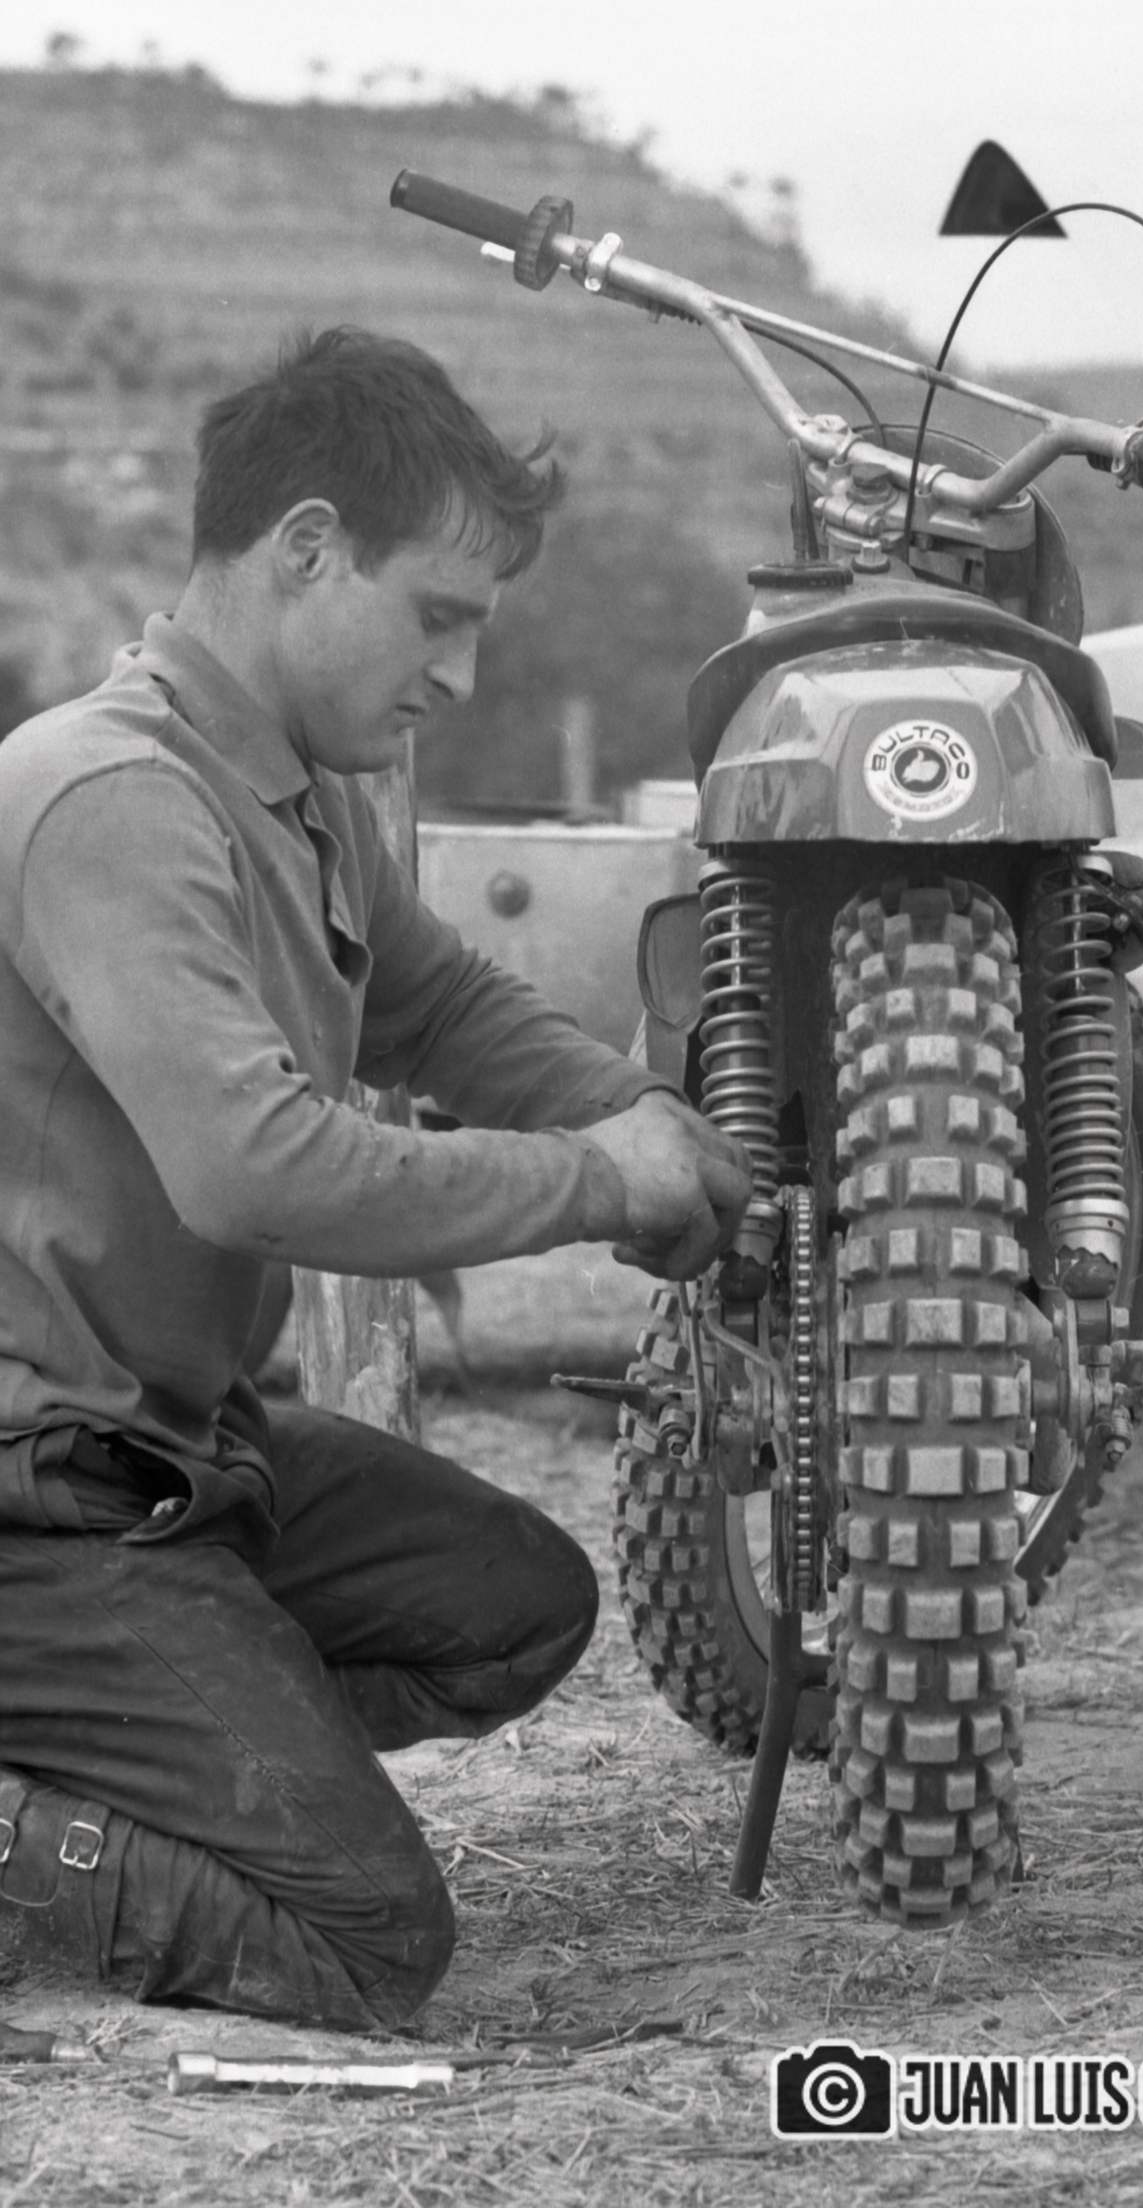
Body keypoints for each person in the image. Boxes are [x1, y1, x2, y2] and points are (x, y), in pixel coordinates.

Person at [0, 327, 751, 2031]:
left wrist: (666, 1133)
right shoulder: (110, 797)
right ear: (308, 548)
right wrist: (594, 1181)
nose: (461, 677)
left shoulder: (297, 796)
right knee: (364, 1944)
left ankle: (161, 1749)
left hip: (183, 1454)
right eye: (439, 618)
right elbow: (250, 1172)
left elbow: (442, 1010)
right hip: (42, 1492)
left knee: (512, 1609)